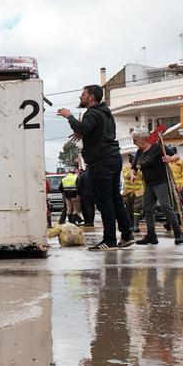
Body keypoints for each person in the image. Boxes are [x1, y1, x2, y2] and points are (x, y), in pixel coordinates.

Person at [57, 85, 133, 250]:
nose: (80, 97)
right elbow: (94, 130)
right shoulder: (105, 112)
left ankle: (109, 240)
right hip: (114, 158)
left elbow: (82, 127)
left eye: (83, 94)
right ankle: (127, 235)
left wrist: (69, 116)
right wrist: (84, 133)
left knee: (105, 202)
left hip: (101, 162)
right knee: (115, 198)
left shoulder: (92, 113)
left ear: (91, 97)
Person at [130, 129, 183, 245]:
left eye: (135, 140)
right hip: (148, 185)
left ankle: (178, 233)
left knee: (165, 206)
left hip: (161, 183)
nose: (134, 143)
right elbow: (133, 167)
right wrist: (132, 174)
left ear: (142, 138)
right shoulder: (139, 152)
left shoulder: (157, 147)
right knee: (147, 209)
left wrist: (169, 159)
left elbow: (176, 156)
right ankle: (151, 236)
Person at [121, 153, 144, 232]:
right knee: (129, 209)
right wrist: (133, 171)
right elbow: (126, 176)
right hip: (128, 192)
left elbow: (142, 176)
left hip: (139, 191)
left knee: (137, 208)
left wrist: (137, 170)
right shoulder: (126, 167)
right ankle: (131, 224)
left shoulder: (141, 167)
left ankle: (136, 226)